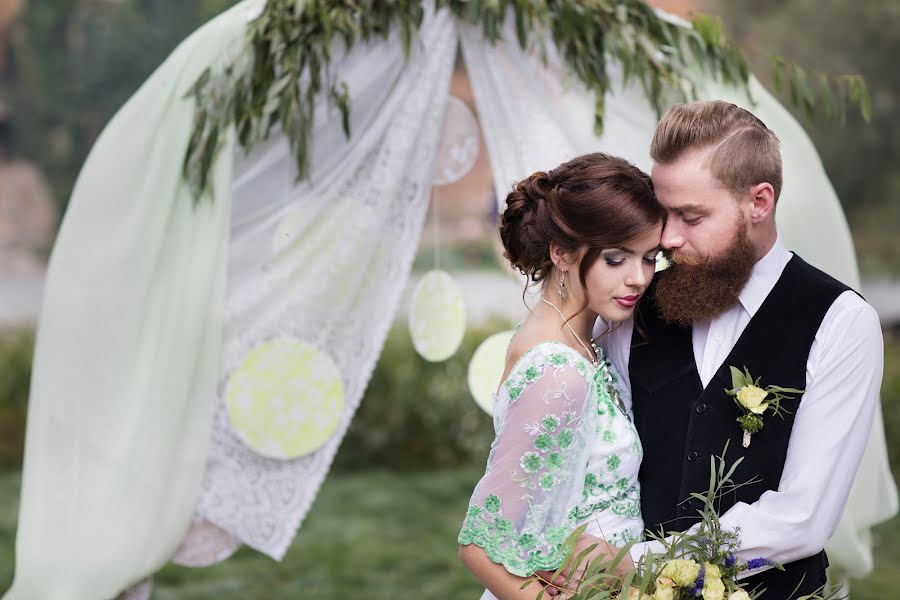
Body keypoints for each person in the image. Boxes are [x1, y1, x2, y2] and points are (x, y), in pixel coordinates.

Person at [591, 101, 884, 598]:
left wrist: (641, 563)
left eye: (691, 216)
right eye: (664, 213)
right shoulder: (633, 308)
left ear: (759, 202)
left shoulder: (841, 322)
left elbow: (803, 517)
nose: (668, 237)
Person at [458, 152, 665, 599]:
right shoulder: (558, 372)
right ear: (562, 253)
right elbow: (482, 547)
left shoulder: (580, 342)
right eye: (616, 258)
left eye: (650, 257)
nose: (639, 278)